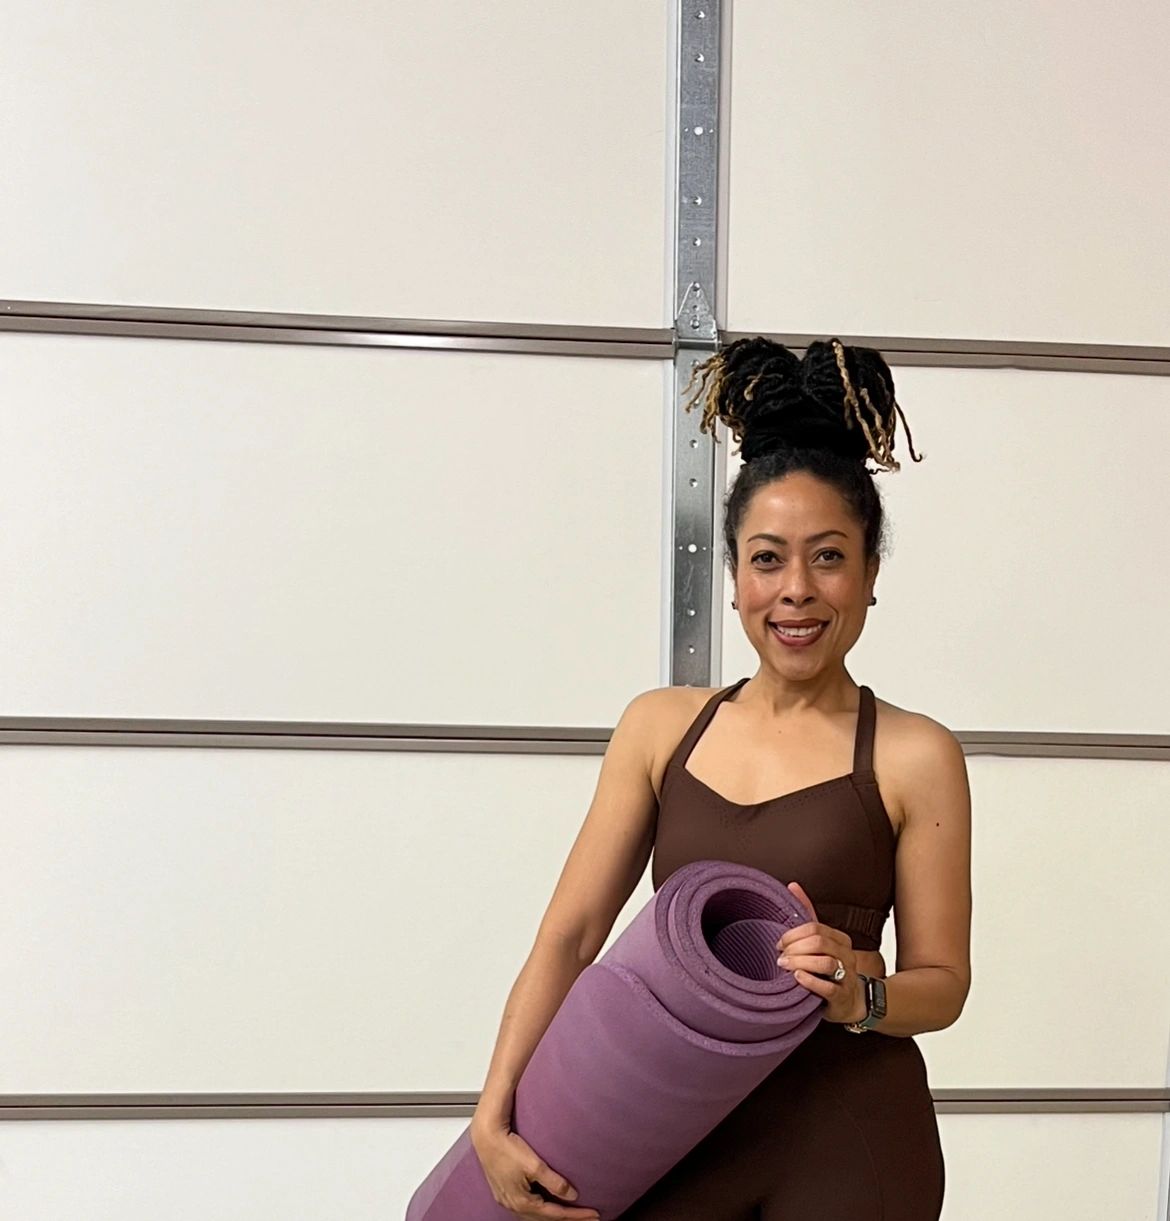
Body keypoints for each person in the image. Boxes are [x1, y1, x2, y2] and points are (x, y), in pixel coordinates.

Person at [470, 336, 972, 1221]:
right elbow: (572, 934)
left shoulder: (914, 754)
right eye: (768, 557)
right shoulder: (660, 727)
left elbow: (943, 982)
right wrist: (494, 1109)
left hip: (850, 1141)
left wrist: (860, 993)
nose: (796, 592)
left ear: (870, 574)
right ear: (735, 573)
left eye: (828, 556)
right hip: (672, 1127)